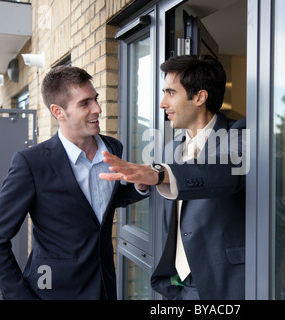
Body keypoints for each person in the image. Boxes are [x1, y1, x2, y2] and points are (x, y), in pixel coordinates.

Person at [0, 66, 148, 300]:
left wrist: (140, 185)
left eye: (96, 99)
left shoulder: (113, 148)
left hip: (104, 286)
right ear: (58, 111)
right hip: (52, 291)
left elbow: (103, 202)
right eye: (85, 103)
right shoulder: (31, 163)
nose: (97, 109)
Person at [100, 55, 246, 300]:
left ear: (200, 97)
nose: (162, 103)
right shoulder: (170, 149)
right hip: (178, 286)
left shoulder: (239, 134)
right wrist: (143, 183)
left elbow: (223, 171)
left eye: (170, 92)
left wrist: (160, 174)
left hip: (225, 284)